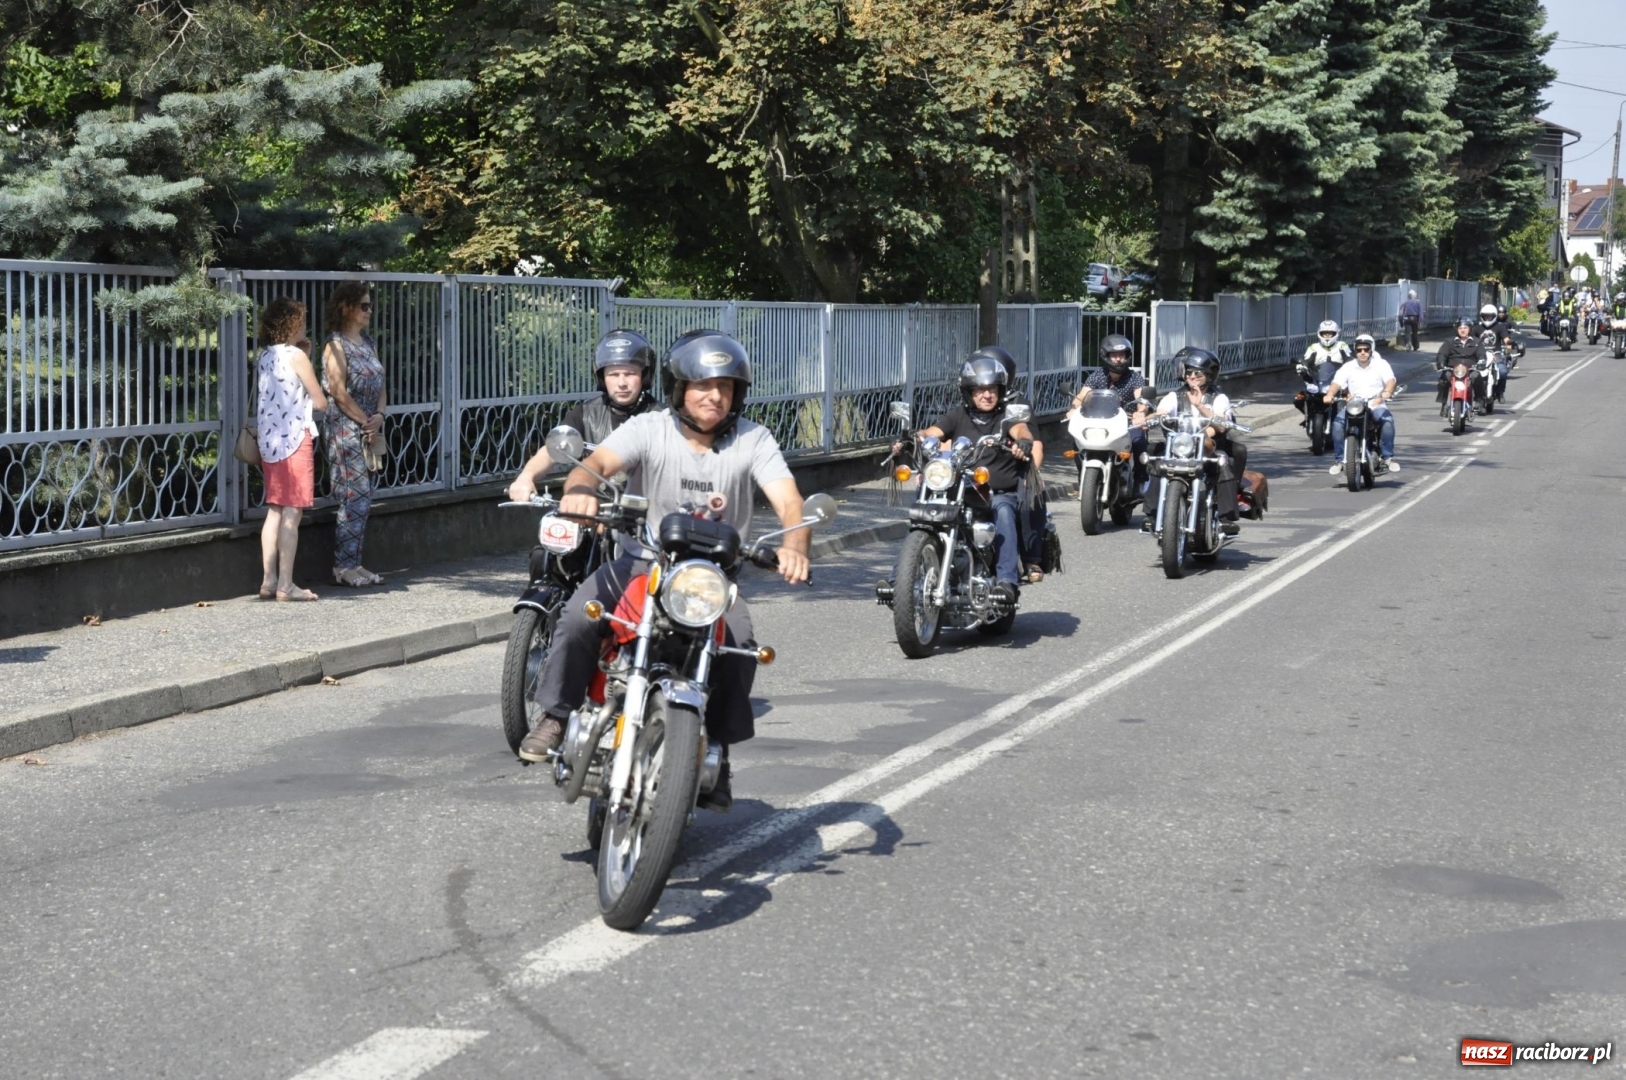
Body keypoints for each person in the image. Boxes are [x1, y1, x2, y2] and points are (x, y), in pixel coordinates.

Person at [517, 330, 812, 812]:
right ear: (680, 389)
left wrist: (795, 545)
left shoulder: (753, 439)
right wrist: (582, 491)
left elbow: (789, 501)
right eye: (703, 385)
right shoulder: (650, 428)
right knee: (577, 616)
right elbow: (596, 463)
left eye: (725, 386)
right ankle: (556, 714)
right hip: (641, 562)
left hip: (711, 578)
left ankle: (717, 750)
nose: (714, 396)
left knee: (739, 646)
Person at [912, 352, 1037, 605]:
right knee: (923, 507)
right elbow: (933, 432)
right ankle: (900, 578)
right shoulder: (958, 415)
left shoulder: (1007, 417)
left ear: (1000, 391)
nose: (986, 395)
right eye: (979, 390)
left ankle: (1007, 581)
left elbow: (1021, 429)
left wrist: (1024, 442)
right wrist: (917, 436)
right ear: (969, 393)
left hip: (997, 493)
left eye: (992, 389)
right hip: (963, 490)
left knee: (1004, 512)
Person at [507, 329, 665, 503]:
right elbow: (552, 449)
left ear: (644, 376)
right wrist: (526, 477)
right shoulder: (585, 413)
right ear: (602, 378)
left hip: (648, 511)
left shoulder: (663, 418)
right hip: (594, 509)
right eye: (613, 374)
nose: (622, 383)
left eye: (630, 374)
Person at [255, 298, 328, 602]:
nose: (305, 325)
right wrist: (306, 359)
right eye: (302, 320)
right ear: (293, 324)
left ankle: (269, 581)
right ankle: (286, 585)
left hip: (269, 443)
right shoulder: (296, 356)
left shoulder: (264, 356)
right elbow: (320, 402)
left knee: (274, 509)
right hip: (295, 439)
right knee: (292, 511)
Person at [1141, 347, 1246, 535]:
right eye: (1189, 372)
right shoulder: (1175, 396)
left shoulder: (1219, 398)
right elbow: (1161, 411)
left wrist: (1200, 406)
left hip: (1208, 448)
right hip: (1179, 447)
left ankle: (1225, 518)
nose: (1193, 376)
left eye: (1199, 373)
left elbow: (1221, 425)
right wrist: (1147, 419)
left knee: (1222, 463)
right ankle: (1152, 514)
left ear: (1209, 375)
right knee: (1158, 462)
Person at [321, 282, 386, 588]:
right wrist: (365, 421)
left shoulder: (367, 341)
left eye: (370, 305)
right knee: (352, 494)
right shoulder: (335, 345)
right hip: (345, 429)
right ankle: (342, 566)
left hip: (368, 427)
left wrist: (380, 416)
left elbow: (381, 382)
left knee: (364, 497)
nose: (369, 311)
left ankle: (354, 562)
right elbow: (337, 391)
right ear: (346, 308)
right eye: (363, 306)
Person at [980, 345, 1049, 583]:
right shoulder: (972, 403)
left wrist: (1032, 472)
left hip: (1011, 468)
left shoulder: (1017, 404)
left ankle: (1031, 558)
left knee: (1031, 492)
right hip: (975, 469)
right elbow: (950, 437)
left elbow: (1035, 442)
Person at [1069, 333, 1151, 480]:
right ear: (1106, 356)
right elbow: (1081, 396)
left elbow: (1141, 399)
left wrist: (1140, 412)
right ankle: (1084, 476)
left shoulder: (1134, 378)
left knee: (1138, 441)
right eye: (1114, 355)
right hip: (1099, 422)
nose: (1118, 359)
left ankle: (1140, 478)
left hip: (1128, 423)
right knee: (1078, 442)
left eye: (1122, 355)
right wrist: (1073, 409)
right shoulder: (1097, 376)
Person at [1325, 334, 1399, 474]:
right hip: (1354, 405)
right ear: (1355, 351)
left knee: (1387, 421)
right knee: (1337, 424)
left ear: (1371, 350)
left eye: (1366, 349)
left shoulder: (1381, 364)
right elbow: (1336, 383)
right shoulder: (1348, 367)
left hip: (1375, 403)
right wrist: (1330, 394)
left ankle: (1387, 457)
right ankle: (1339, 460)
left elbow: (1390, 380)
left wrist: (1387, 392)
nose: (1362, 352)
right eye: (1359, 350)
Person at [1435, 318, 1486, 412]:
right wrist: (1441, 362)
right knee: (1443, 380)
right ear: (1456, 329)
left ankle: (1480, 401)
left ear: (1470, 329)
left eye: (1465, 328)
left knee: (1477, 377)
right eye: (1460, 328)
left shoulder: (1477, 342)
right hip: (1453, 370)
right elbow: (1442, 354)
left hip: (1470, 369)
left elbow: (1481, 354)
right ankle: (1444, 404)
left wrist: (1481, 362)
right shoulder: (1449, 342)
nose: (1463, 330)